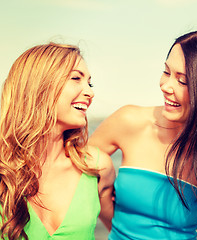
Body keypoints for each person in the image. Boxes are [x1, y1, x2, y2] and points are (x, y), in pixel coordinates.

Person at [89, 30, 197, 239]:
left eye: (183, 80)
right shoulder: (129, 121)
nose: (165, 86)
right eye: (166, 72)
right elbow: (75, 171)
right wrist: (105, 179)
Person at [0, 43, 115, 240]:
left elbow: (124, 230)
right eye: (76, 78)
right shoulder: (4, 170)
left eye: (89, 83)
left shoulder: (97, 167)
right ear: (39, 84)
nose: (90, 92)